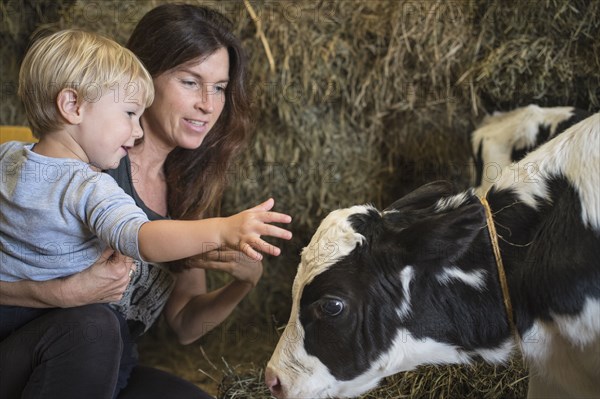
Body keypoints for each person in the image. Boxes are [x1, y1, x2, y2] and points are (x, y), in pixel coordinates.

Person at [0, 5, 288, 399]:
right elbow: (140, 235)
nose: (208, 103)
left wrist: (243, 283)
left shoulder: (188, 190)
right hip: (39, 348)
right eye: (190, 81)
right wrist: (59, 293)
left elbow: (185, 324)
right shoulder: (84, 168)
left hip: (109, 364)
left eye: (219, 87)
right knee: (94, 325)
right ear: (145, 78)